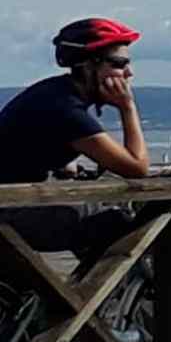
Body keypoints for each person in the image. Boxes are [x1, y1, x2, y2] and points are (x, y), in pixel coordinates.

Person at [0, 17, 150, 261]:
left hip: (12, 202)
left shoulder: (56, 93)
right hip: (7, 211)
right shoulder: (65, 108)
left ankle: (80, 296)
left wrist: (64, 166)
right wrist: (127, 107)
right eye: (119, 64)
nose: (128, 73)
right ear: (88, 66)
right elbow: (136, 167)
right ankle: (90, 296)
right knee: (113, 220)